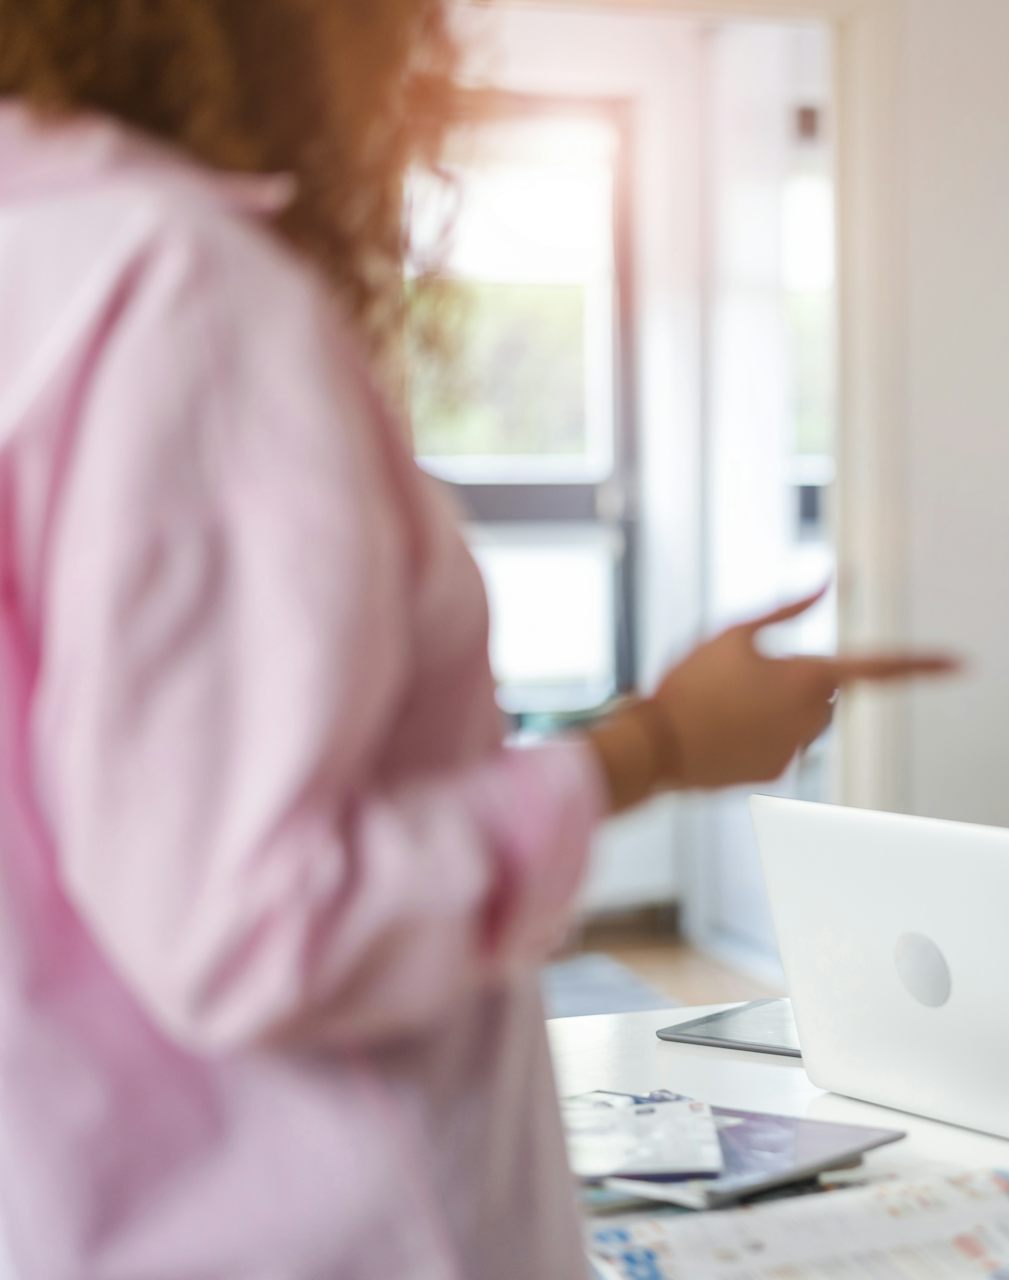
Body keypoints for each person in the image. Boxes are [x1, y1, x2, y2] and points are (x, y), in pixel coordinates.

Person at [0, 4, 950, 1277]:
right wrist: (647, 748)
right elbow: (254, 920)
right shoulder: (179, 288)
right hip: (304, 1221)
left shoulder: (43, 261)